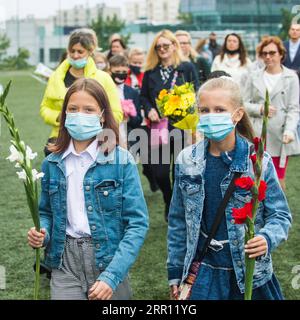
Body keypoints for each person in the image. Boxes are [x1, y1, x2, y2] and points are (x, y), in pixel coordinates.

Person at [167, 76, 292, 300]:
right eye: (204, 110)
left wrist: (266, 238)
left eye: (219, 109)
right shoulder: (186, 160)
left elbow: (280, 215)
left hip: (249, 274)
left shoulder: (258, 161)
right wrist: (175, 273)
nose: (210, 116)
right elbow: (177, 222)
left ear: (237, 114)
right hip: (204, 273)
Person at [28, 78, 149, 300]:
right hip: (65, 262)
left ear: (102, 115)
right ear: (64, 114)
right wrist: (42, 233)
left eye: (88, 109)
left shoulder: (121, 161)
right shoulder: (51, 163)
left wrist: (112, 276)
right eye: (73, 109)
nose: (79, 114)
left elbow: (137, 223)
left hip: (108, 258)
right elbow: (46, 213)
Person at [140, 29, 199, 221]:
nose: (163, 49)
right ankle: (168, 197)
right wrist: (149, 109)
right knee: (160, 172)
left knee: (180, 170)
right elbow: (143, 96)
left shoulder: (187, 68)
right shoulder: (150, 72)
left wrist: (185, 105)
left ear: (174, 45)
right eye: (159, 47)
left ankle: (177, 206)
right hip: (159, 128)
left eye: (166, 45)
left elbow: (197, 92)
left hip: (182, 126)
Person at [40, 28, 123, 156]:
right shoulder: (55, 77)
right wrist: (58, 117)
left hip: (96, 138)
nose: (75, 55)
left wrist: (93, 122)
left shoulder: (103, 78)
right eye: (72, 51)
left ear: (90, 52)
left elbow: (116, 112)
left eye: (80, 51)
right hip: (61, 136)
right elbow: (45, 108)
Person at [244, 36, 300, 191]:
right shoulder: (253, 76)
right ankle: (257, 213)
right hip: (256, 134)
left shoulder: (291, 77)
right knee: (255, 179)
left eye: (272, 53)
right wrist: (260, 109)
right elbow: (243, 103)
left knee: (277, 180)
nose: (268, 57)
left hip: (279, 136)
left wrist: (289, 131)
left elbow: (294, 108)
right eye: (264, 53)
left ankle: (278, 213)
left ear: (281, 54)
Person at [108, 54, 143, 147]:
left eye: (124, 71)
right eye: (117, 71)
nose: (121, 74)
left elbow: (139, 119)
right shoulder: (104, 90)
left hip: (127, 138)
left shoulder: (132, 92)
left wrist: (129, 117)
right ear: (110, 70)